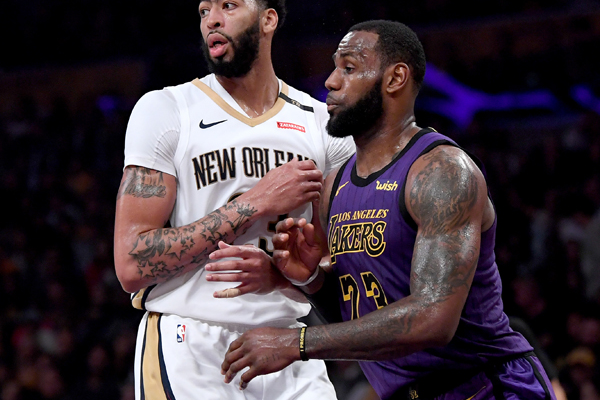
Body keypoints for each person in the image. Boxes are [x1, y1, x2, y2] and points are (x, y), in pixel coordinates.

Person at [207, 20, 558, 399]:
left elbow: (433, 319)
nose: (331, 81)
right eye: (334, 67)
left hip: (487, 386)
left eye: (349, 67)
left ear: (395, 78)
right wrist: (309, 281)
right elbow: (359, 320)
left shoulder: (441, 172)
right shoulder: (334, 186)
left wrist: (298, 342)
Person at [113, 0, 354, 400]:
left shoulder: (322, 124)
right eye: (204, 10)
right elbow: (131, 264)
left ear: (268, 20)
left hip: (287, 340)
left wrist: (282, 278)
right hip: (191, 339)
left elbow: (343, 262)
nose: (212, 19)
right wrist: (255, 203)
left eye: (228, 6)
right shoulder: (167, 109)